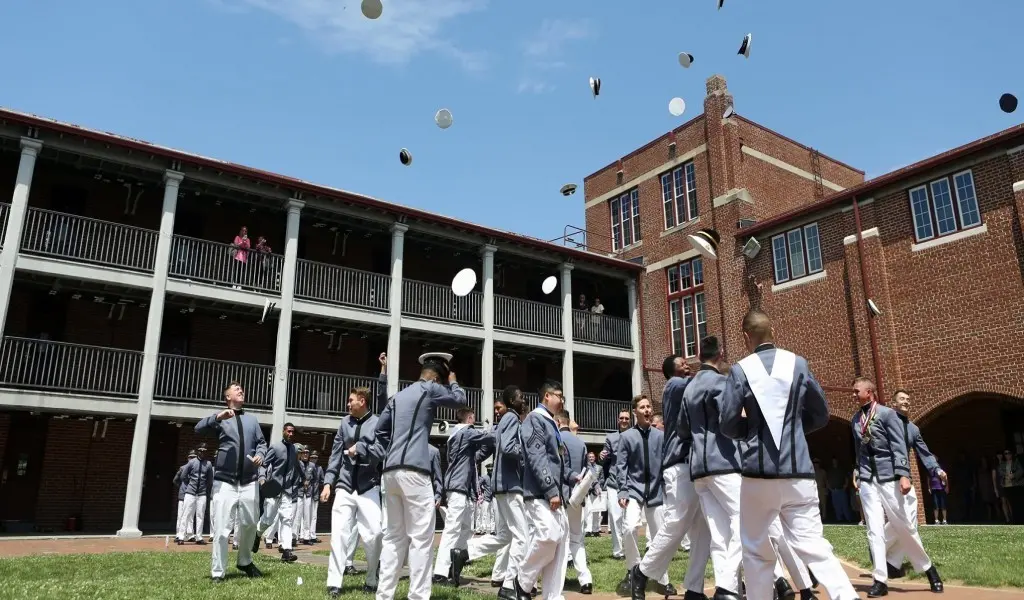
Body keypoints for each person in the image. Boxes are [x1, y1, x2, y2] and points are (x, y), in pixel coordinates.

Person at [719, 310, 857, 600]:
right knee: (814, 545)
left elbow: (729, 423)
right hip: (799, 472)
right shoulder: (799, 364)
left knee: (756, 549)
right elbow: (821, 414)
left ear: (746, 337)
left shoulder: (740, 370)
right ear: (773, 332)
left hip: (759, 474)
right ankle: (847, 596)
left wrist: (751, 431)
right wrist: (794, 428)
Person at [356, 351, 467, 600]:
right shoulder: (430, 389)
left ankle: (384, 596)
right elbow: (460, 399)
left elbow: (380, 432)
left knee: (394, 538)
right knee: (420, 539)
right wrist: (454, 378)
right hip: (415, 472)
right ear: (436, 379)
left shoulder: (397, 397)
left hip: (390, 472)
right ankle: (417, 596)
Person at [851, 381, 944, 596]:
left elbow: (898, 446)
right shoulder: (856, 419)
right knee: (874, 530)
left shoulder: (886, 414)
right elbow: (859, 449)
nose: (854, 395)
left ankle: (929, 569)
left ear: (869, 392)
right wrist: (857, 470)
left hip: (888, 477)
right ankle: (880, 580)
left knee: (903, 525)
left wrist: (903, 474)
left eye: (857, 391)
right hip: (867, 479)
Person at [195, 380, 268, 582]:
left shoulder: (252, 420)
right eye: (236, 390)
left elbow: (262, 443)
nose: (241, 391)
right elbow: (198, 429)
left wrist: (260, 455)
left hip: (249, 481)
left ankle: (244, 561)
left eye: (241, 389)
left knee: (250, 524)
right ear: (228, 397)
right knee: (221, 530)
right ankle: (218, 572)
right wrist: (217, 417)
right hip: (225, 482)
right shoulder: (220, 419)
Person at [322, 386, 385, 597]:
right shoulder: (343, 423)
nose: (348, 404)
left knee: (375, 534)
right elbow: (335, 455)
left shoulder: (377, 423)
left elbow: (381, 452)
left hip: (369, 486)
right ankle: (334, 583)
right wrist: (328, 483)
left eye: (351, 400)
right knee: (339, 534)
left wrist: (360, 448)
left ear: (362, 401)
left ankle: (371, 577)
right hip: (345, 486)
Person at [467, 387, 529, 599]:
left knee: (505, 535)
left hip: (501, 486)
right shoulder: (511, 417)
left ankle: (464, 552)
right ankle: (510, 585)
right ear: (512, 400)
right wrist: (526, 453)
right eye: (521, 396)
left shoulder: (504, 420)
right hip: (511, 486)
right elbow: (510, 448)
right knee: (523, 537)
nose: (524, 399)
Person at [513, 381, 573, 600]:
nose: (562, 400)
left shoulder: (550, 423)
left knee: (559, 548)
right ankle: (522, 581)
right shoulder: (534, 420)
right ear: (547, 396)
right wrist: (550, 489)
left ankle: (553, 595)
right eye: (559, 396)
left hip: (554, 494)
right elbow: (537, 456)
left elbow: (556, 460)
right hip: (540, 492)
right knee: (549, 536)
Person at [618, 395, 675, 596]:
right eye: (642, 407)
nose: (647, 410)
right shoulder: (626, 437)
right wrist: (623, 490)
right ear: (635, 412)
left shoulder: (660, 436)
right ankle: (635, 570)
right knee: (630, 527)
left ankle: (663, 579)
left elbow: (667, 462)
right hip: (634, 490)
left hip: (656, 492)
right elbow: (621, 466)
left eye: (649, 406)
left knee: (661, 536)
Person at [438, 408, 494, 586]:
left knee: (467, 528)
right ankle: (440, 572)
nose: (475, 422)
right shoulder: (466, 431)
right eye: (474, 419)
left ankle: (455, 563)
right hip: (458, 486)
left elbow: (476, 455)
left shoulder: (458, 436)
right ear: (469, 419)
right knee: (452, 529)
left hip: (462, 488)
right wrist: (502, 427)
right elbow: (488, 437)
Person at [557, 410, 593, 594]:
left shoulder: (558, 440)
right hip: (578, 497)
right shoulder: (580, 443)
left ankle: (558, 580)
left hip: (563, 495)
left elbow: (561, 469)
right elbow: (588, 468)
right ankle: (585, 580)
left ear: (558, 421)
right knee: (577, 539)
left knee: (562, 540)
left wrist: (572, 476)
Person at [255, 422, 302, 563]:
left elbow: (297, 467)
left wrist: (303, 479)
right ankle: (257, 534)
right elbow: (263, 464)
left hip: (287, 490)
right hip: (273, 488)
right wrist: (262, 478)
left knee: (286, 519)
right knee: (268, 519)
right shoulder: (275, 448)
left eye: (293, 432)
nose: (291, 434)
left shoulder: (294, 449)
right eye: (288, 431)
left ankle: (287, 551)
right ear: (283, 432)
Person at [599, 409, 632, 560]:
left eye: (626, 418)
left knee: (629, 519)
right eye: (622, 418)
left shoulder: (634, 435)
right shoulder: (610, 437)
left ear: (630, 420)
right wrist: (601, 456)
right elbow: (603, 459)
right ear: (618, 420)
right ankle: (618, 551)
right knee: (615, 517)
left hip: (630, 482)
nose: (624, 420)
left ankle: (630, 549)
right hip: (613, 482)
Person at [172, 451, 196, 545]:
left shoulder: (196, 469)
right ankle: (178, 534)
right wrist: (182, 487)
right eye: (191, 457)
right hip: (183, 495)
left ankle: (190, 535)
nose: (192, 459)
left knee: (190, 515)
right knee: (181, 515)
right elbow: (175, 480)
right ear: (188, 458)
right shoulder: (182, 468)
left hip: (192, 494)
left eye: (194, 457)